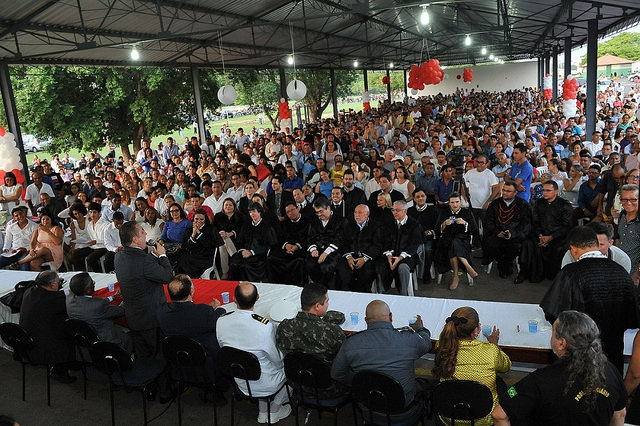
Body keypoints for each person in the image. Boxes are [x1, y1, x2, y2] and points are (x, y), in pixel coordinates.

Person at [492, 311, 626, 426]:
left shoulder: (540, 380)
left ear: (561, 343)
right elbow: (620, 414)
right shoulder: (611, 371)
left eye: (553, 332)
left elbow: (499, 415)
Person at [540, 226, 640, 374]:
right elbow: (634, 317)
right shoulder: (621, 272)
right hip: (612, 358)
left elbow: (553, 313)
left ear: (573, 249)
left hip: (579, 357)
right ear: (595, 244)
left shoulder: (569, 274)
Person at [331, 300, 431, 421]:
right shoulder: (409, 339)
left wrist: (360, 382)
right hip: (405, 411)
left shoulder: (350, 343)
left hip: (370, 409)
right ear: (391, 317)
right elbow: (427, 344)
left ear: (366, 320)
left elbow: (336, 374)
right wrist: (420, 329)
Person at [216, 282, 291, 424]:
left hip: (240, 378)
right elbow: (275, 359)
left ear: (234, 299)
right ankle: (274, 409)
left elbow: (225, 351)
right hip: (266, 381)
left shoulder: (221, 321)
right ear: (257, 298)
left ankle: (263, 411)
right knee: (291, 365)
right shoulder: (264, 326)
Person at [432, 307, 511, 426]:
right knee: (501, 383)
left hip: (449, 417)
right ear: (475, 331)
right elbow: (506, 366)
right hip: (483, 420)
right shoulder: (490, 351)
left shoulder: (442, 346)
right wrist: (495, 344)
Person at [157, 274, 226, 393]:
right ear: (191, 291)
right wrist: (217, 308)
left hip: (177, 358)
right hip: (204, 359)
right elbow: (218, 318)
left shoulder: (161, 312)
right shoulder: (204, 312)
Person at [114, 220, 173, 357]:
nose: (146, 233)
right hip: (150, 319)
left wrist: (153, 255)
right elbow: (167, 277)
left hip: (133, 316)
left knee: (143, 355)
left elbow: (140, 271)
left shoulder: (119, 256)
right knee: (157, 355)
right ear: (135, 239)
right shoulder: (144, 261)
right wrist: (162, 255)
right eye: (142, 231)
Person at [19, 271, 76, 383]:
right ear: (52, 285)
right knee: (70, 331)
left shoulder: (29, 291)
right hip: (41, 346)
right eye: (58, 282)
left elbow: (61, 294)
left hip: (26, 340)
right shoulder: (54, 299)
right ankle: (60, 371)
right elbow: (65, 299)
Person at [276, 282, 345, 365]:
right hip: (325, 375)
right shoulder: (333, 332)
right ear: (317, 306)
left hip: (295, 373)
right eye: (327, 301)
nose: (328, 304)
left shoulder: (284, 327)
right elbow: (345, 356)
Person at [66, 272, 132, 353]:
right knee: (131, 335)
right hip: (107, 340)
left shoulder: (68, 300)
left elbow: (97, 303)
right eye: (92, 283)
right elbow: (122, 310)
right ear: (88, 290)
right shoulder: (97, 306)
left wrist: (112, 297)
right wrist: (127, 295)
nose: (94, 284)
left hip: (87, 341)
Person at [482, 182, 532, 280]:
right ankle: (504, 265)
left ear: (515, 193)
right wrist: (497, 232)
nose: (504, 193)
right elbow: (488, 222)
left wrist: (512, 233)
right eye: (503, 190)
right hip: (497, 234)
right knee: (490, 245)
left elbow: (525, 224)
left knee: (514, 247)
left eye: (508, 191)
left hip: (515, 236)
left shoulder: (522, 204)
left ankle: (504, 266)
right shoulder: (495, 204)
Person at [529, 180, 573, 281]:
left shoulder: (564, 205)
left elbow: (567, 226)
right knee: (529, 244)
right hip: (541, 235)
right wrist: (541, 236)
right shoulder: (538, 203)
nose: (545, 193)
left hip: (558, 236)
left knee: (559, 248)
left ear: (556, 192)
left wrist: (551, 237)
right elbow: (535, 222)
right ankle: (535, 274)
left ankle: (555, 276)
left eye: (548, 190)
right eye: (544, 190)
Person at [435, 193, 478, 290]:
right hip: (446, 240)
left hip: (463, 240)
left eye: (457, 202)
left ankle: (455, 276)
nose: (455, 205)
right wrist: (444, 224)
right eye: (452, 202)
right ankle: (468, 266)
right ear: (449, 203)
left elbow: (474, 230)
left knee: (454, 243)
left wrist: (465, 223)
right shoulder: (443, 213)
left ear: (461, 202)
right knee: (452, 243)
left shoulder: (466, 213)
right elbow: (437, 230)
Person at [336, 204, 383, 292]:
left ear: (367, 214)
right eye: (355, 212)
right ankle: (345, 296)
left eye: (360, 213)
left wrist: (364, 258)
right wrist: (349, 257)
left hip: (368, 258)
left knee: (367, 273)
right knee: (342, 270)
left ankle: (362, 297)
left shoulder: (376, 226)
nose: (357, 215)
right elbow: (344, 243)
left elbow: (377, 246)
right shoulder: (349, 225)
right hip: (351, 257)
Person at [228, 202, 277, 282]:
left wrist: (252, 252)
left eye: (254, 211)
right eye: (250, 212)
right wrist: (242, 250)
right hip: (244, 253)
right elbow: (240, 241)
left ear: (259, 212)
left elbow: (269, 246)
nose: (252, 214)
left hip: (258, 255)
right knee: (234, 264)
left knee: (245, 266)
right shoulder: (246, 225)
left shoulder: (267, 227)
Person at [561, 221, 631, 273]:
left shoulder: (621, 259)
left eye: (601, 244)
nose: (596, 249)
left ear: (610, 243)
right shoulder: (572, 253)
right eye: (591, 244)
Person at [265, 201, 308, 286]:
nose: (290, 213)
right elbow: (280, 237)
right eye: (288, 212)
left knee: (299, 261)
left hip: (301, 248)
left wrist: (297, 246)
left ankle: (297, 287)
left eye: (292, 210)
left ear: (298, 209)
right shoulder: (284, 223)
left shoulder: (307, 221)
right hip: (286, 249)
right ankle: (276, 286)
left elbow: (308, 238)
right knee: (271, 259)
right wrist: (286, 245)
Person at [306, 197, 344, 286]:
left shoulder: (340, 220)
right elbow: (310, 238)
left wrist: (326, 253)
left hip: (333, 251)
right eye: (317, 212)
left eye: (321, 211)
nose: (319, 214)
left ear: (328, 208)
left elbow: (339, 239)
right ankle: (318, 286)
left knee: (326, 267)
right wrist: (313, 249)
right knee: (310, 265)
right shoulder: (314, 221)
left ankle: (324, 287)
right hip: (317, 249)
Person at [175, 209, 222, 277]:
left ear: (205, 219)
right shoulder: (189, 229)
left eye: (201, 219)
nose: (199, 221)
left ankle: (189, 279)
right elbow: (186, 246)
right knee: (180, 258)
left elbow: (210, 245)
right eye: (196, 219)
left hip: (206, 257)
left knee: (184, 260)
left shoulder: (211, 229)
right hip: (193, 255)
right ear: (193, 219)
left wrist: (199, 233)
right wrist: (193, 234)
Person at [214, 198, 243, 280]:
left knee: (222, 245)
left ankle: (225, 272)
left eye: (230, 205)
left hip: (236, 240)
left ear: (234, 206)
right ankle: (235, 256)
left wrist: (232, 233)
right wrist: (221, 233)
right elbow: (214, 229)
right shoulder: (218, 216)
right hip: (220, 239)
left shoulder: (240, 216)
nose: (228, 207)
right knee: (222, 242)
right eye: (226, 205)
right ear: (223, 206)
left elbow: (242, 230)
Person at [616, 184, 640, 282]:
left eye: (633, 199)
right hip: (619, 269)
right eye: (624, 199)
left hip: (634, 273)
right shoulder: (622, 215)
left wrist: (637, 274)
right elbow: (618, 237)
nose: (628, 203)